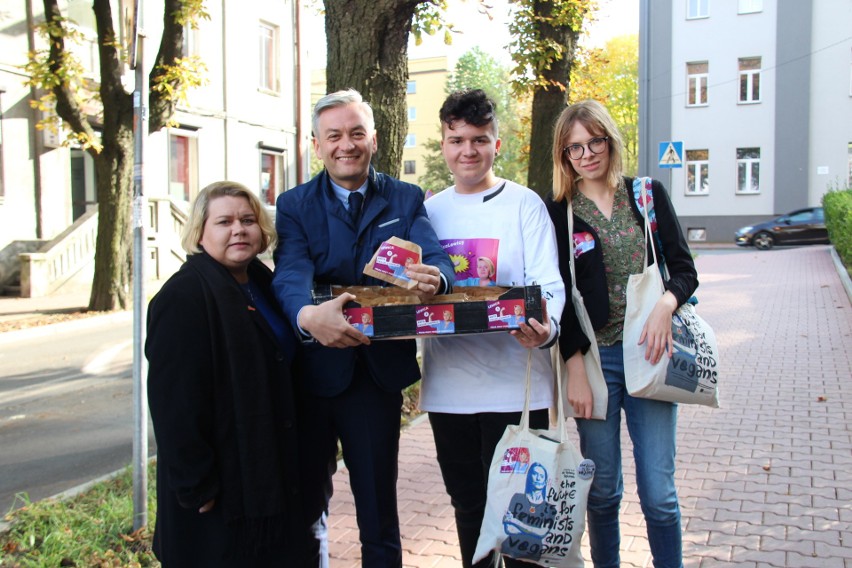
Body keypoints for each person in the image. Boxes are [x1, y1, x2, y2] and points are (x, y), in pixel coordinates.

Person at [273, 89, 454, 567]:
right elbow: (290, 271)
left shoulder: (405, 196)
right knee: (306, 507)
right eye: (334, 136)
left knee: (378, 513)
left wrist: (438, 277)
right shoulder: (293, 205)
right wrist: (307, 317)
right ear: (317, 145)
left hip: (375, 379)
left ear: (374, 140)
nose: (346, 145)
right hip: (310, 378)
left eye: (356, 133)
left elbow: (431, 253)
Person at [546, 100, 698, 568]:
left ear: (610, 141)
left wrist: (666, 306)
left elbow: (686, 270)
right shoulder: (560, 213)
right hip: (596, 362)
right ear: (564, 156)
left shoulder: (647, 196)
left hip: (651, 352)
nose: (587, 154)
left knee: (659, 494)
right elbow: (559, 295)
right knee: (604, 490)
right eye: (575, 148)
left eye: (595, 142)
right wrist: (573, 366)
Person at [420, 88, 566, 568]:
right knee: (469, 508)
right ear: (443, 144)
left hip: (519, 389)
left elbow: (550, 283)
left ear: (496, 144)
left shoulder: (525, 205)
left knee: (523, 518)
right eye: (457, 139)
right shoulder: (428, 211)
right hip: (450, 390)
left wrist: (545, 329)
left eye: (479, 139)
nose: (468, 150)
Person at [146, 182, 318, 567]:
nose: (238, 229)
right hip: (222, 496)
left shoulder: (262, 284)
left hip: (270, 480)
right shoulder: (184, 297)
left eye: (247, 220)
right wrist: (197, 485)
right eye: (223, 221)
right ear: (200, 233)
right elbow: (174, 406)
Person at [500, 463, 557, 562]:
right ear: (529, 477)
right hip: (511, 548)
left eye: (541, 476)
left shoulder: (550, 509)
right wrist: (532, 532)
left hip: (534, 553)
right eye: (535, 474)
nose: (538, 478)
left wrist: (515, 521)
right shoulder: (517, 498)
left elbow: (542, 533)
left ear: (545, 482)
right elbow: (509, 529)